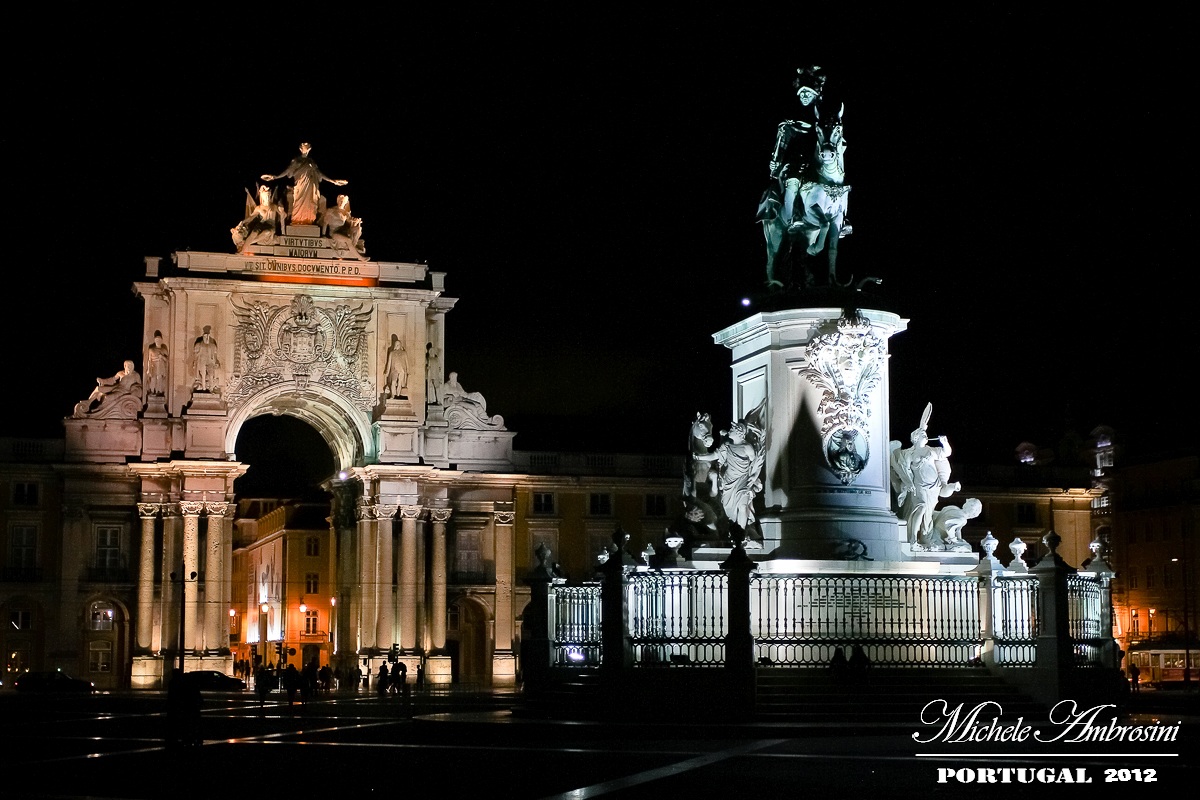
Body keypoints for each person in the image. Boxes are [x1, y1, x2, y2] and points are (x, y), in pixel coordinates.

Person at [890, 404, 961, 545]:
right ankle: (912, 539)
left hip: (933, 487)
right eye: (922, 434)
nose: (925, 435)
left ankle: (925, 537)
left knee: (928, 514)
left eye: (925, 434)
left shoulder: (930, 450)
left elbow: (946, 453)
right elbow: (903, 469)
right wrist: (907, 484)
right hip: (918, 486)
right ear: (915, 438)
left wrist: (945, 443)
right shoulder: (908, 453)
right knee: (920, 507)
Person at [261, 142, 348, 227]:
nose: (306, 149)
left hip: (310, 186)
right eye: (304, 147)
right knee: (298, 202)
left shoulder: (311, 162)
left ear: (309, 149)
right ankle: (297, 220)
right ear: (300, 149)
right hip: (300, 185)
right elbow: (287, 171)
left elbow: (319, 173)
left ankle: (308, 220)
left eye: (308, 148)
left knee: (310, 204)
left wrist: (332, 181)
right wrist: (276, 177)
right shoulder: (296, 160)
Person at [192, 326, 221, 392]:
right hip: (202, 361)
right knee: (203, 375)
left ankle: (211, 388)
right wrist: (194, 362)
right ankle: (204, 388)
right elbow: (196, 355)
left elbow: (214, 355)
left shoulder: (212, 345)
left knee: (211, 374)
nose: (207, 337)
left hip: (210, 361)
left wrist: (216, 362)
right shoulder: (199, 345)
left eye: (208, 335)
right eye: (205, 336)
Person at [144, 331, 169, 397]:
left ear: (161, 340)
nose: (157, 341)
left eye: (159, 339)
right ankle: (152, 391)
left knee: (160, 378)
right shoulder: (151, 349)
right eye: (156, 339)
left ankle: (159, 391)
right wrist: (149, 369)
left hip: (161, 366)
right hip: (154, 366)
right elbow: (149, 360)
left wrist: (162, 356)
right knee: (153, 379)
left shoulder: (164, 349)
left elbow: (167, 360)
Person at [384, 334, 408, 399]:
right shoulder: (392, 353)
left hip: (402, 370)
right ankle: (393, 395)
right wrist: (387, 372)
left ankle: (398, 394)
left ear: (400, 345)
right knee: (393, 382)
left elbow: (406, 362)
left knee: (400, 382)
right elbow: (389, 363)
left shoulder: (404, 353)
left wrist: (408, 371)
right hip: (394, 370)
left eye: (398, 344)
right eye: (396, 344)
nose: (397, 346)